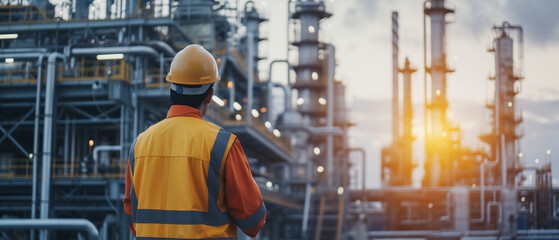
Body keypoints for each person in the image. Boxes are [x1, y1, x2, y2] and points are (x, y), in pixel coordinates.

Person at [123, 44, 266, 239]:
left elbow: (132, 220)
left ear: (171, 88)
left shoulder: (140, 144)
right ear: (210, 94)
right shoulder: (222, 144)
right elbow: (254, 221)